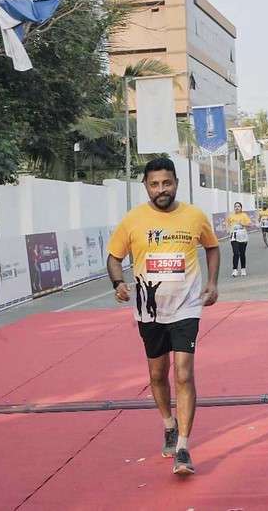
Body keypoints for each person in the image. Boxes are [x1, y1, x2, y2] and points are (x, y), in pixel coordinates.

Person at [107, 157, 220, 476]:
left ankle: (183, 447)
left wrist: (212, 283)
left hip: (187, 306)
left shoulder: (194, 216)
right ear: (145, 186)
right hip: (149, 309)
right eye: (155, 184)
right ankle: (168, 425)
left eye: (167, 183)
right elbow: (114, 257)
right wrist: (118, 283)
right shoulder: (132, 220)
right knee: (158, 374)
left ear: (176, 184)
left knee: (184, 373)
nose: (161, 189)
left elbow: (212, 247)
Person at [226, 202, 252, 277]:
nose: (237, 208)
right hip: (234, 235)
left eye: (238, 206)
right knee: (236, 253)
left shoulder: (244, 215)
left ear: (241, 208)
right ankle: (235, 270)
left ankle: (243, 269)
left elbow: (249, 224)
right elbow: (227, 224)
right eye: (235, 206)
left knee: (242, 253)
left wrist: (242, 224)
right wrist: (228, 230)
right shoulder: (231, 216)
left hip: (242, 234)